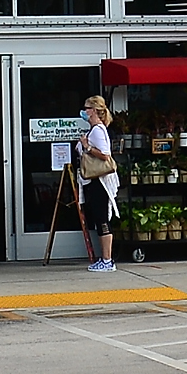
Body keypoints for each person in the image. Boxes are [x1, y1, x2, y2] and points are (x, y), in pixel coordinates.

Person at [72, 94, 118, 272]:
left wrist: (87, 146)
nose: (84, 111)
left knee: (102, 219)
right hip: (94, 181)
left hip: (100, 180)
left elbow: (105, 155)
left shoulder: (98, 130)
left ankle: (107, 259)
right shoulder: (96, 129)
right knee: (99, 219)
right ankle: (105, 258)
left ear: (93, 111)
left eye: (86, 108)